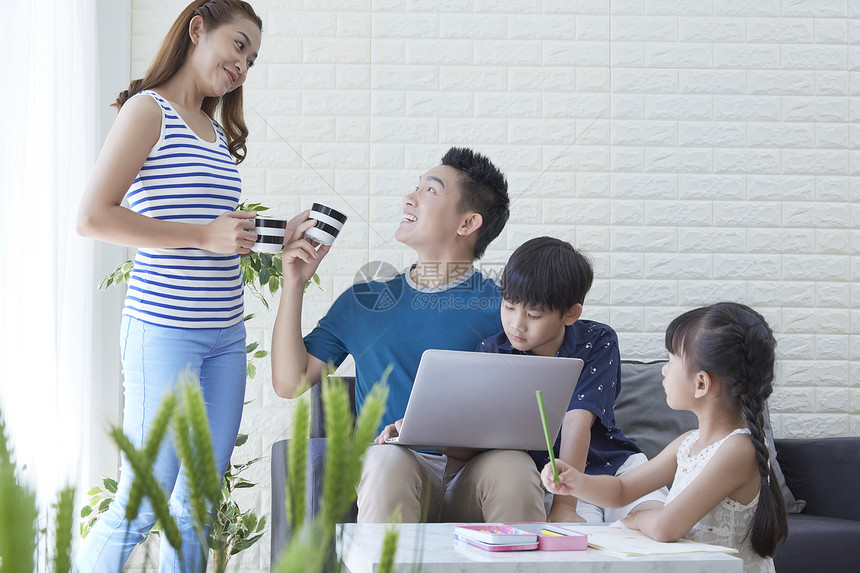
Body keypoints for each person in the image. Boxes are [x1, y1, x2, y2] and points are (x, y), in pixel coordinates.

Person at [74, 2, 262, 571]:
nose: (243, 66)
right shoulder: (146, 111)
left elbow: (211, 230)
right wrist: (206, 236)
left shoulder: (214, 129)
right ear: (197, 29)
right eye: (238, 46)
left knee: (198, 505)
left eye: (252, 60)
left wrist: (268, 233)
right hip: (165, 331)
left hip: (225, 335)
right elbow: (93, 217)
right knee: (142, 501)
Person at [272, 147, 546, 524]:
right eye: (416, 187)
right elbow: (290, 382)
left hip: (475, 474)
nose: (410, 197)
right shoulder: (364, 302)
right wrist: (295, 284)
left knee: (515, 468)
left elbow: (533, 407)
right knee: (385, 461)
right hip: (395, 467)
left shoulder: (506, 310)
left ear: (467, 224)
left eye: (430, 191)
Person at [543, 302, 788, 572]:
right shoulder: (688, 443)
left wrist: (637, 519)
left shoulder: (738, 449)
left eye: (671, 360)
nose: (663, 369)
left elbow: (665, 527)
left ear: (701, 383)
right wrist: (576, 481)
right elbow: (622, 490)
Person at [476, 237, 666, 523]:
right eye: (509, 306)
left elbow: (577, 421)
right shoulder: (492, 353)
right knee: (581, 545)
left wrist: (565, 508)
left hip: (614, 466)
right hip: (552, 480)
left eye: (534, 315)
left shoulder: (597, 341)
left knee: (656, 523)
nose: (516, 324)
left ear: (571, 314)